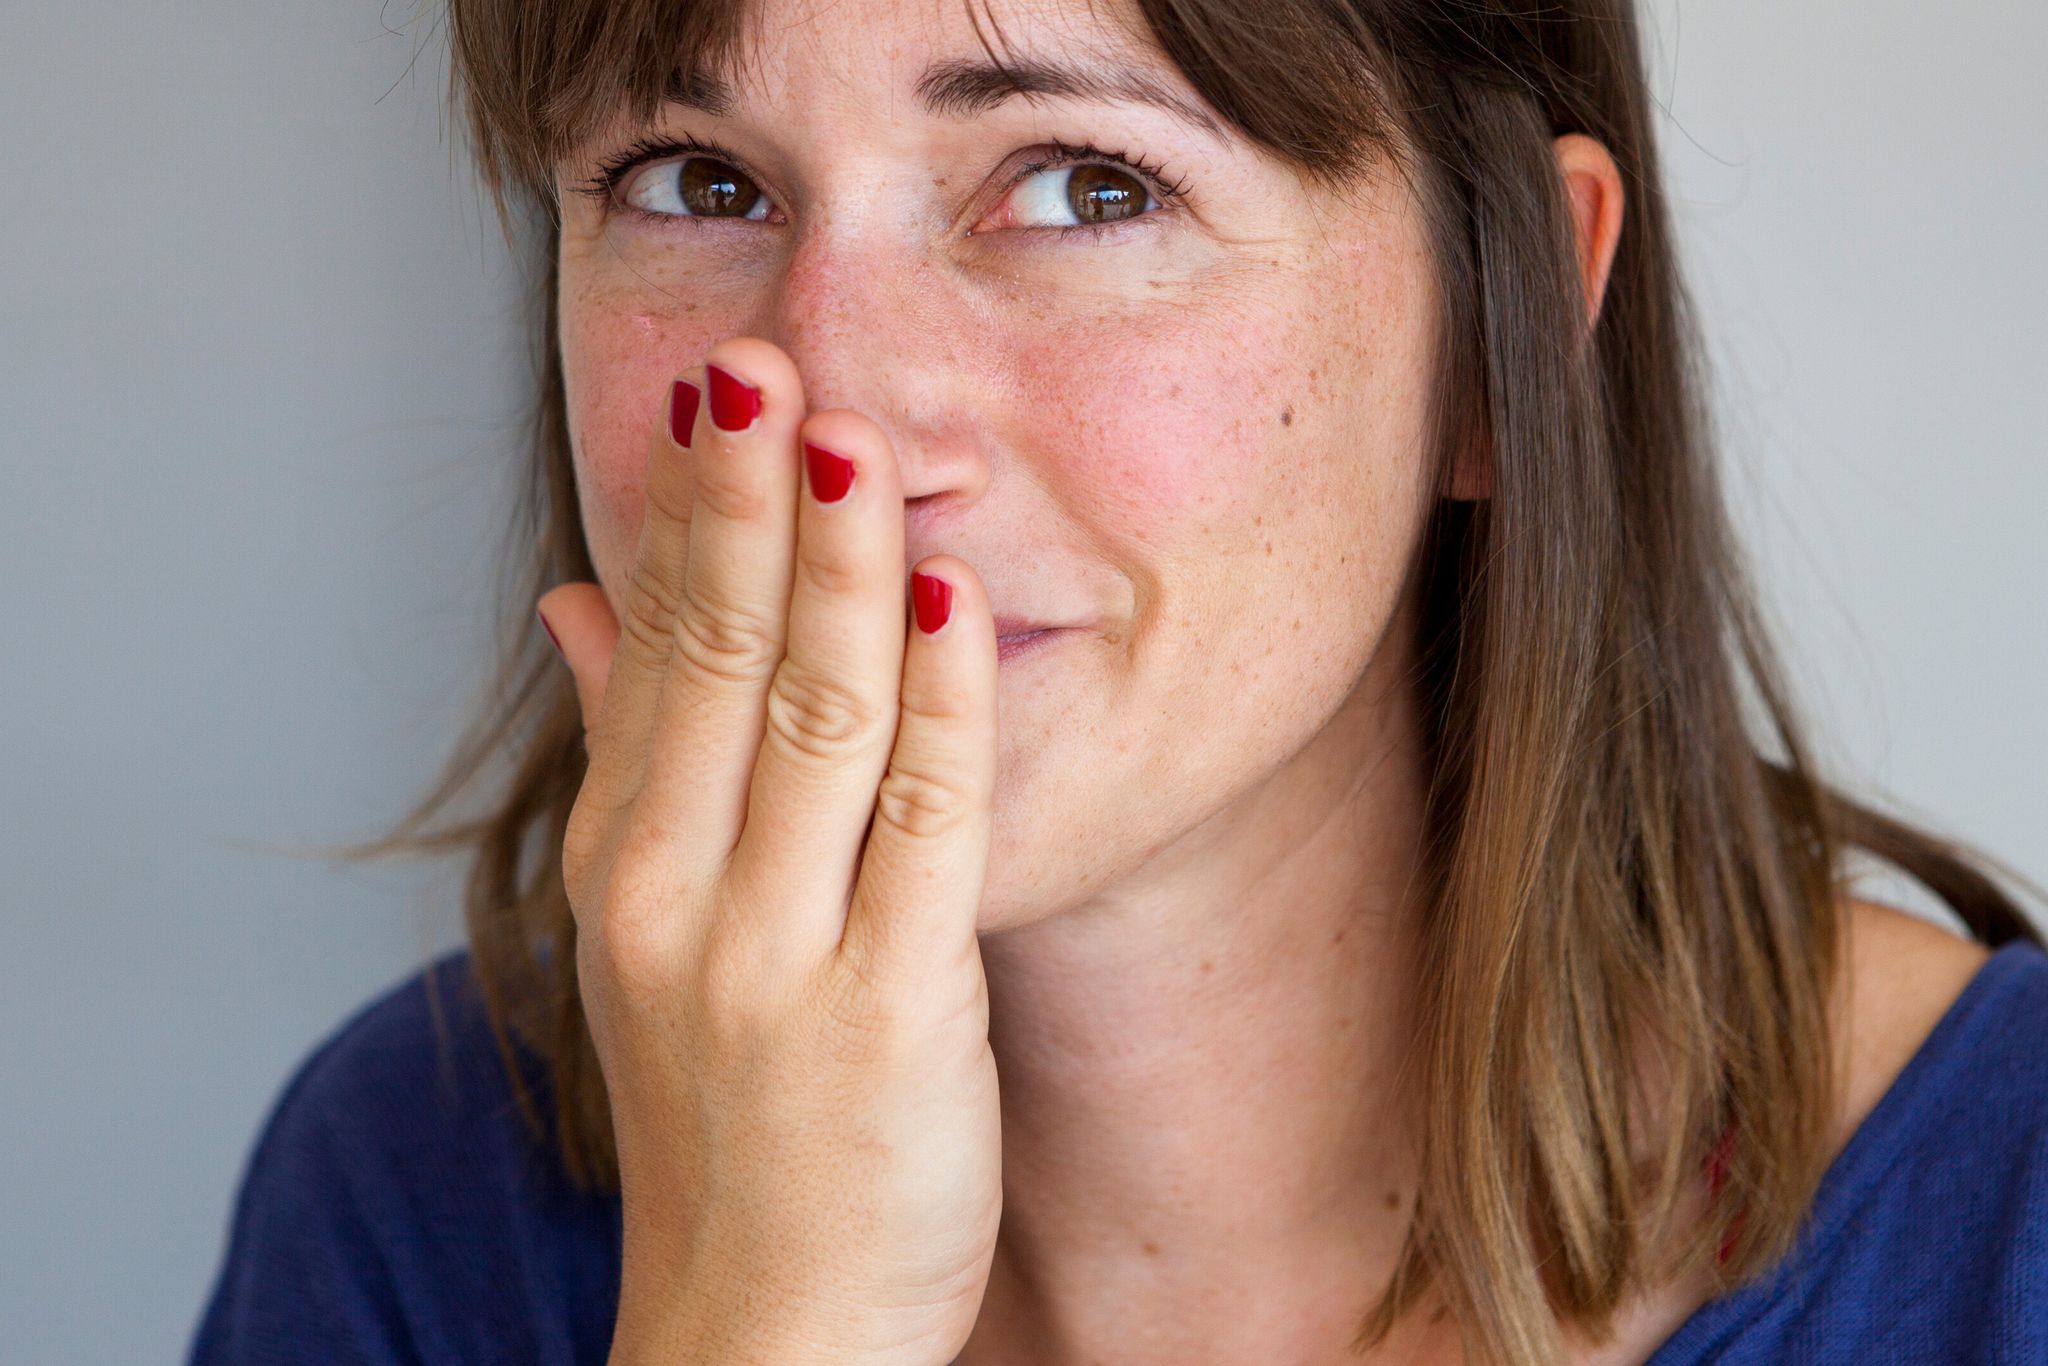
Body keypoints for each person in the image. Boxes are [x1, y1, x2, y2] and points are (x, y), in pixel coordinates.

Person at [187, 0, 2048, 1362]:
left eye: (1084, 187)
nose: (839, 403)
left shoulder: (2011, 1227)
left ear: (1507, 334)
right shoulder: (408, 1194)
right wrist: (759, 1316)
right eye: (695, 180)